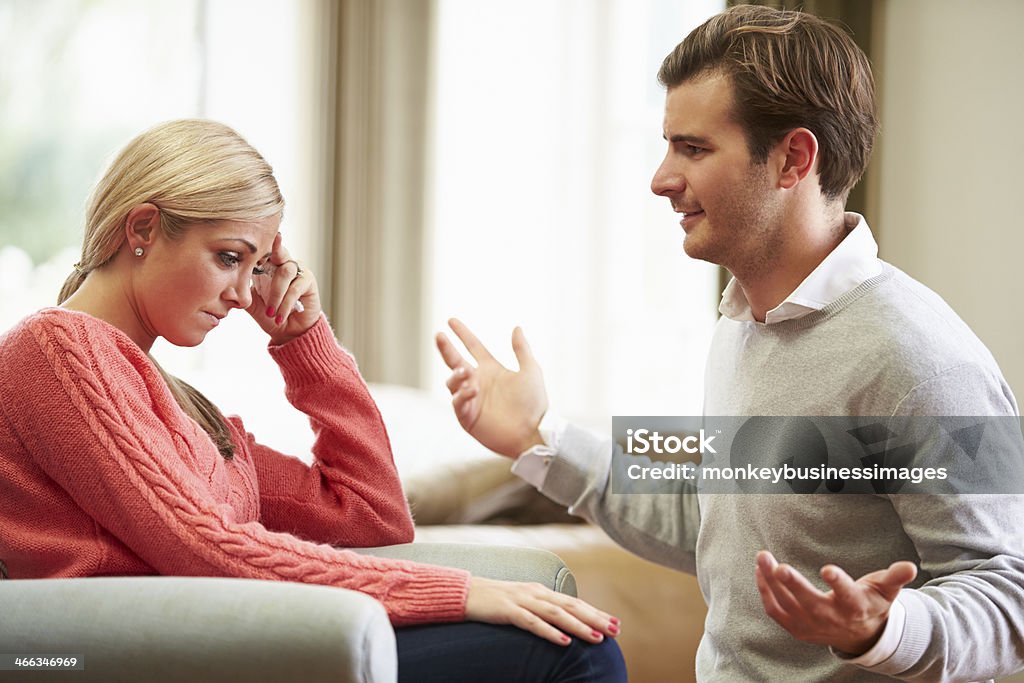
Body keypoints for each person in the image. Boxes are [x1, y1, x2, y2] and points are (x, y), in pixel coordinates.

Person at [436, 5, 1024, 682]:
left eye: (692, 147)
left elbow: (1009, 590)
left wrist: (885, 629)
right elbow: (719, 516)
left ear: (793, 159)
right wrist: (541, 435)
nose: (660, 178)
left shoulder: (921, 360)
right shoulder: (743, 321)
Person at [0, 118, 626, 682]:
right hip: (156, 651)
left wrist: (305, 342)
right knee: (571, 652)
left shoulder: (183, 406)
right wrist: (457, 592)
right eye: (228, 258)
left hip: (237, 637)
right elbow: (201, 544)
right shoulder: (55, 348)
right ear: (141, 228)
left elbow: (373, 516)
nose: (246, 295)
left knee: (575, 642)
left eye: (257, 269)